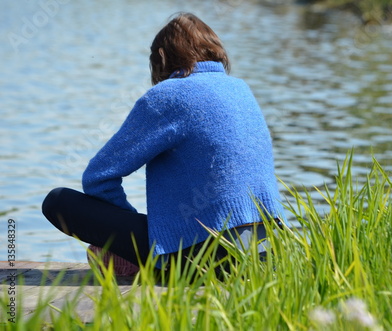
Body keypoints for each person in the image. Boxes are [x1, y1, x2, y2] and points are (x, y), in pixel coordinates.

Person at [41, 12, 286, 277]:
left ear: (162, 56)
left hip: (205, 259)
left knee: (56, 201)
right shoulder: (241, 90)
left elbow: (99, 177)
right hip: (266, 253)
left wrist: (127, 235)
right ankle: (148, 258)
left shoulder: (168, 95)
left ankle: (149, 263)